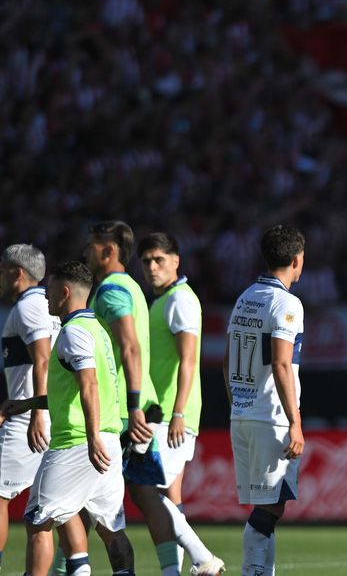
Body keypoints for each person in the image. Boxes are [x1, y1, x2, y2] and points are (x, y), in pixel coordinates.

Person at [2, 261, 128, 575]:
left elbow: (89, 385)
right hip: (108, 440)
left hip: (77, 441)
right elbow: (71, 389)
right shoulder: (97, 329)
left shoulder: (73, 333)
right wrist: (28, 403)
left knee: (37, 522)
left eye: (51, 288)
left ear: (65, 291)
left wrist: (91, 436)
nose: (45, 295)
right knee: (110, 527)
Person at [138, 232, 225, 575]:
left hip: (169, 414)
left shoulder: (179, 300)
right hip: (163, 412)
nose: (152, 267)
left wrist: (176, 412)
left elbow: (189, 360)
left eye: (159, 259)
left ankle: (202, 557)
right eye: (146, 261)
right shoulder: (162, 300)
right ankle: (173, 572)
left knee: (143, 489)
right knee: (167, 497)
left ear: (176, 261)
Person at [225, 225, 306, 576]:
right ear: (296, 260)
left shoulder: (246, 296)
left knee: (270, 505)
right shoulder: (287, 303)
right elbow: (281, 362)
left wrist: (237, 403)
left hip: (242, 414)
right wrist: (296, 422)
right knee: (270, 509)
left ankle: (259, 571)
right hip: (270, 417)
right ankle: (251, 571)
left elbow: (227, 359)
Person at [84, 220, 164, 571]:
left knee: (86, 506)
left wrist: (131, 407)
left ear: (109, 250)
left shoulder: (111, 291)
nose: (87, 252)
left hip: (118, 411)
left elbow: (129, 348)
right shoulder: (131, 286)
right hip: (137, 403)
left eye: (92, 246)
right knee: (141, 498)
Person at [0, 244, 59, 571]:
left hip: (29, 422)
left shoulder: (28, 308)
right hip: (41, 413)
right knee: (43, 514)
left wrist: (38, 412)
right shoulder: (48, 305)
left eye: (1, 269)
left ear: (16, 273)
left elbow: (43, 359)